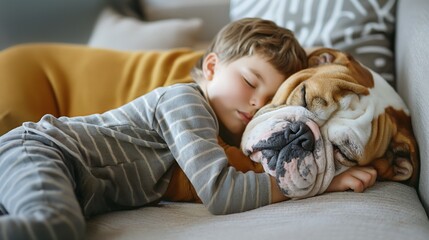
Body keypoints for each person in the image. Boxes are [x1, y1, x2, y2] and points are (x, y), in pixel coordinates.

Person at [0, 18, 377, 240]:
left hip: (64, 175)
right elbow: (221, 192)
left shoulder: (217, 129)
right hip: (45, 150)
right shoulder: (185, 102)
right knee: (56, 227)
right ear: (211, 67)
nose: (257, 103)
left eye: (269, 98)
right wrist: (314, 185)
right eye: (249, 82)